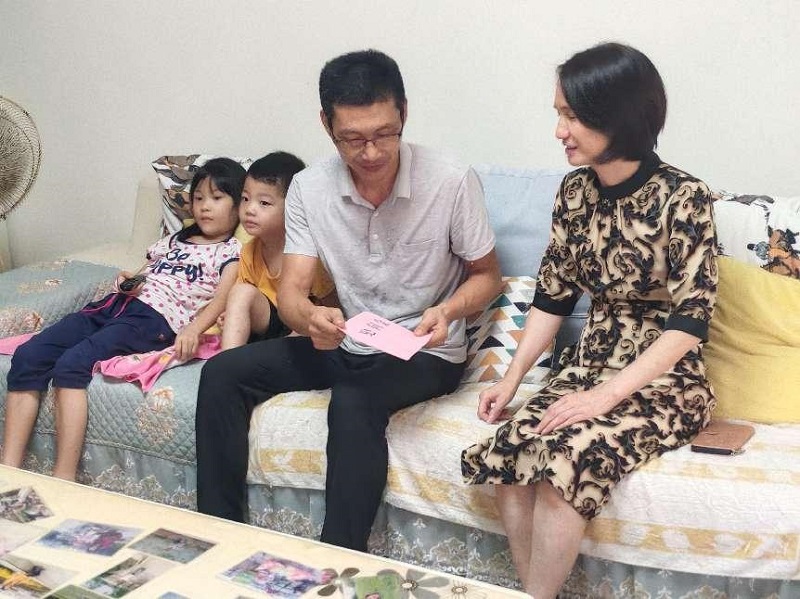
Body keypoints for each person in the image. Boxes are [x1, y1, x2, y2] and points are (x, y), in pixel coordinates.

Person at [195, 49, 502, 551]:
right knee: (223, 372)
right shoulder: (309, 189)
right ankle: (218, 535)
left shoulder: (450, 179)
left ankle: (337, 557)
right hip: (349, 339)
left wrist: (448, 310)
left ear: (404, 113)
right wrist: (309, 318)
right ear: (326, 125)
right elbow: (292, 292)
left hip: (424, 349)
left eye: (385, 134)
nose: (372, 153)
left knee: (354, 400)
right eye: (353, 139)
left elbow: (487, 276)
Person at [461, 42, 718, 599]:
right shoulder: (574, 192)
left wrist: (605, 398)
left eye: (572, 116)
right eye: (559, 114)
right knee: (509, 453)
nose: (560, 131)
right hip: (588, 368)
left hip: (665, 382)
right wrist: (510, 381)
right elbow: (552, 299)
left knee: (565, 462)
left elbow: (691, 320)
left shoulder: (684, 196)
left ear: (616, 116)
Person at [2, 157, 244, 481]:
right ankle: (9, 471)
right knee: (29, 355)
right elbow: (143, 274)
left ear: (238, 204)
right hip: (114, 305)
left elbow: (224, 296)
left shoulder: (231, 251)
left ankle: (64, 478)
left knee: (72, 363)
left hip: (154, 320)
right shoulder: (174, 241)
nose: (205, 206)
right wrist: (128, 281)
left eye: (216, 198)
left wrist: (194, 329)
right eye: (198, 197)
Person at [218, 151, 336, 350]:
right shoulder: (249, 251)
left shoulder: (306, 254)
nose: (249, 209)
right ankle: (228, 360)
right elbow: (246, 299)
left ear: (293, 207)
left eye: (264, 203)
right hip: (270, 321)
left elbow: (332, 305)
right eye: (245, 198)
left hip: (302, 327)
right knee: (240, 292)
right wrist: (231, 315)